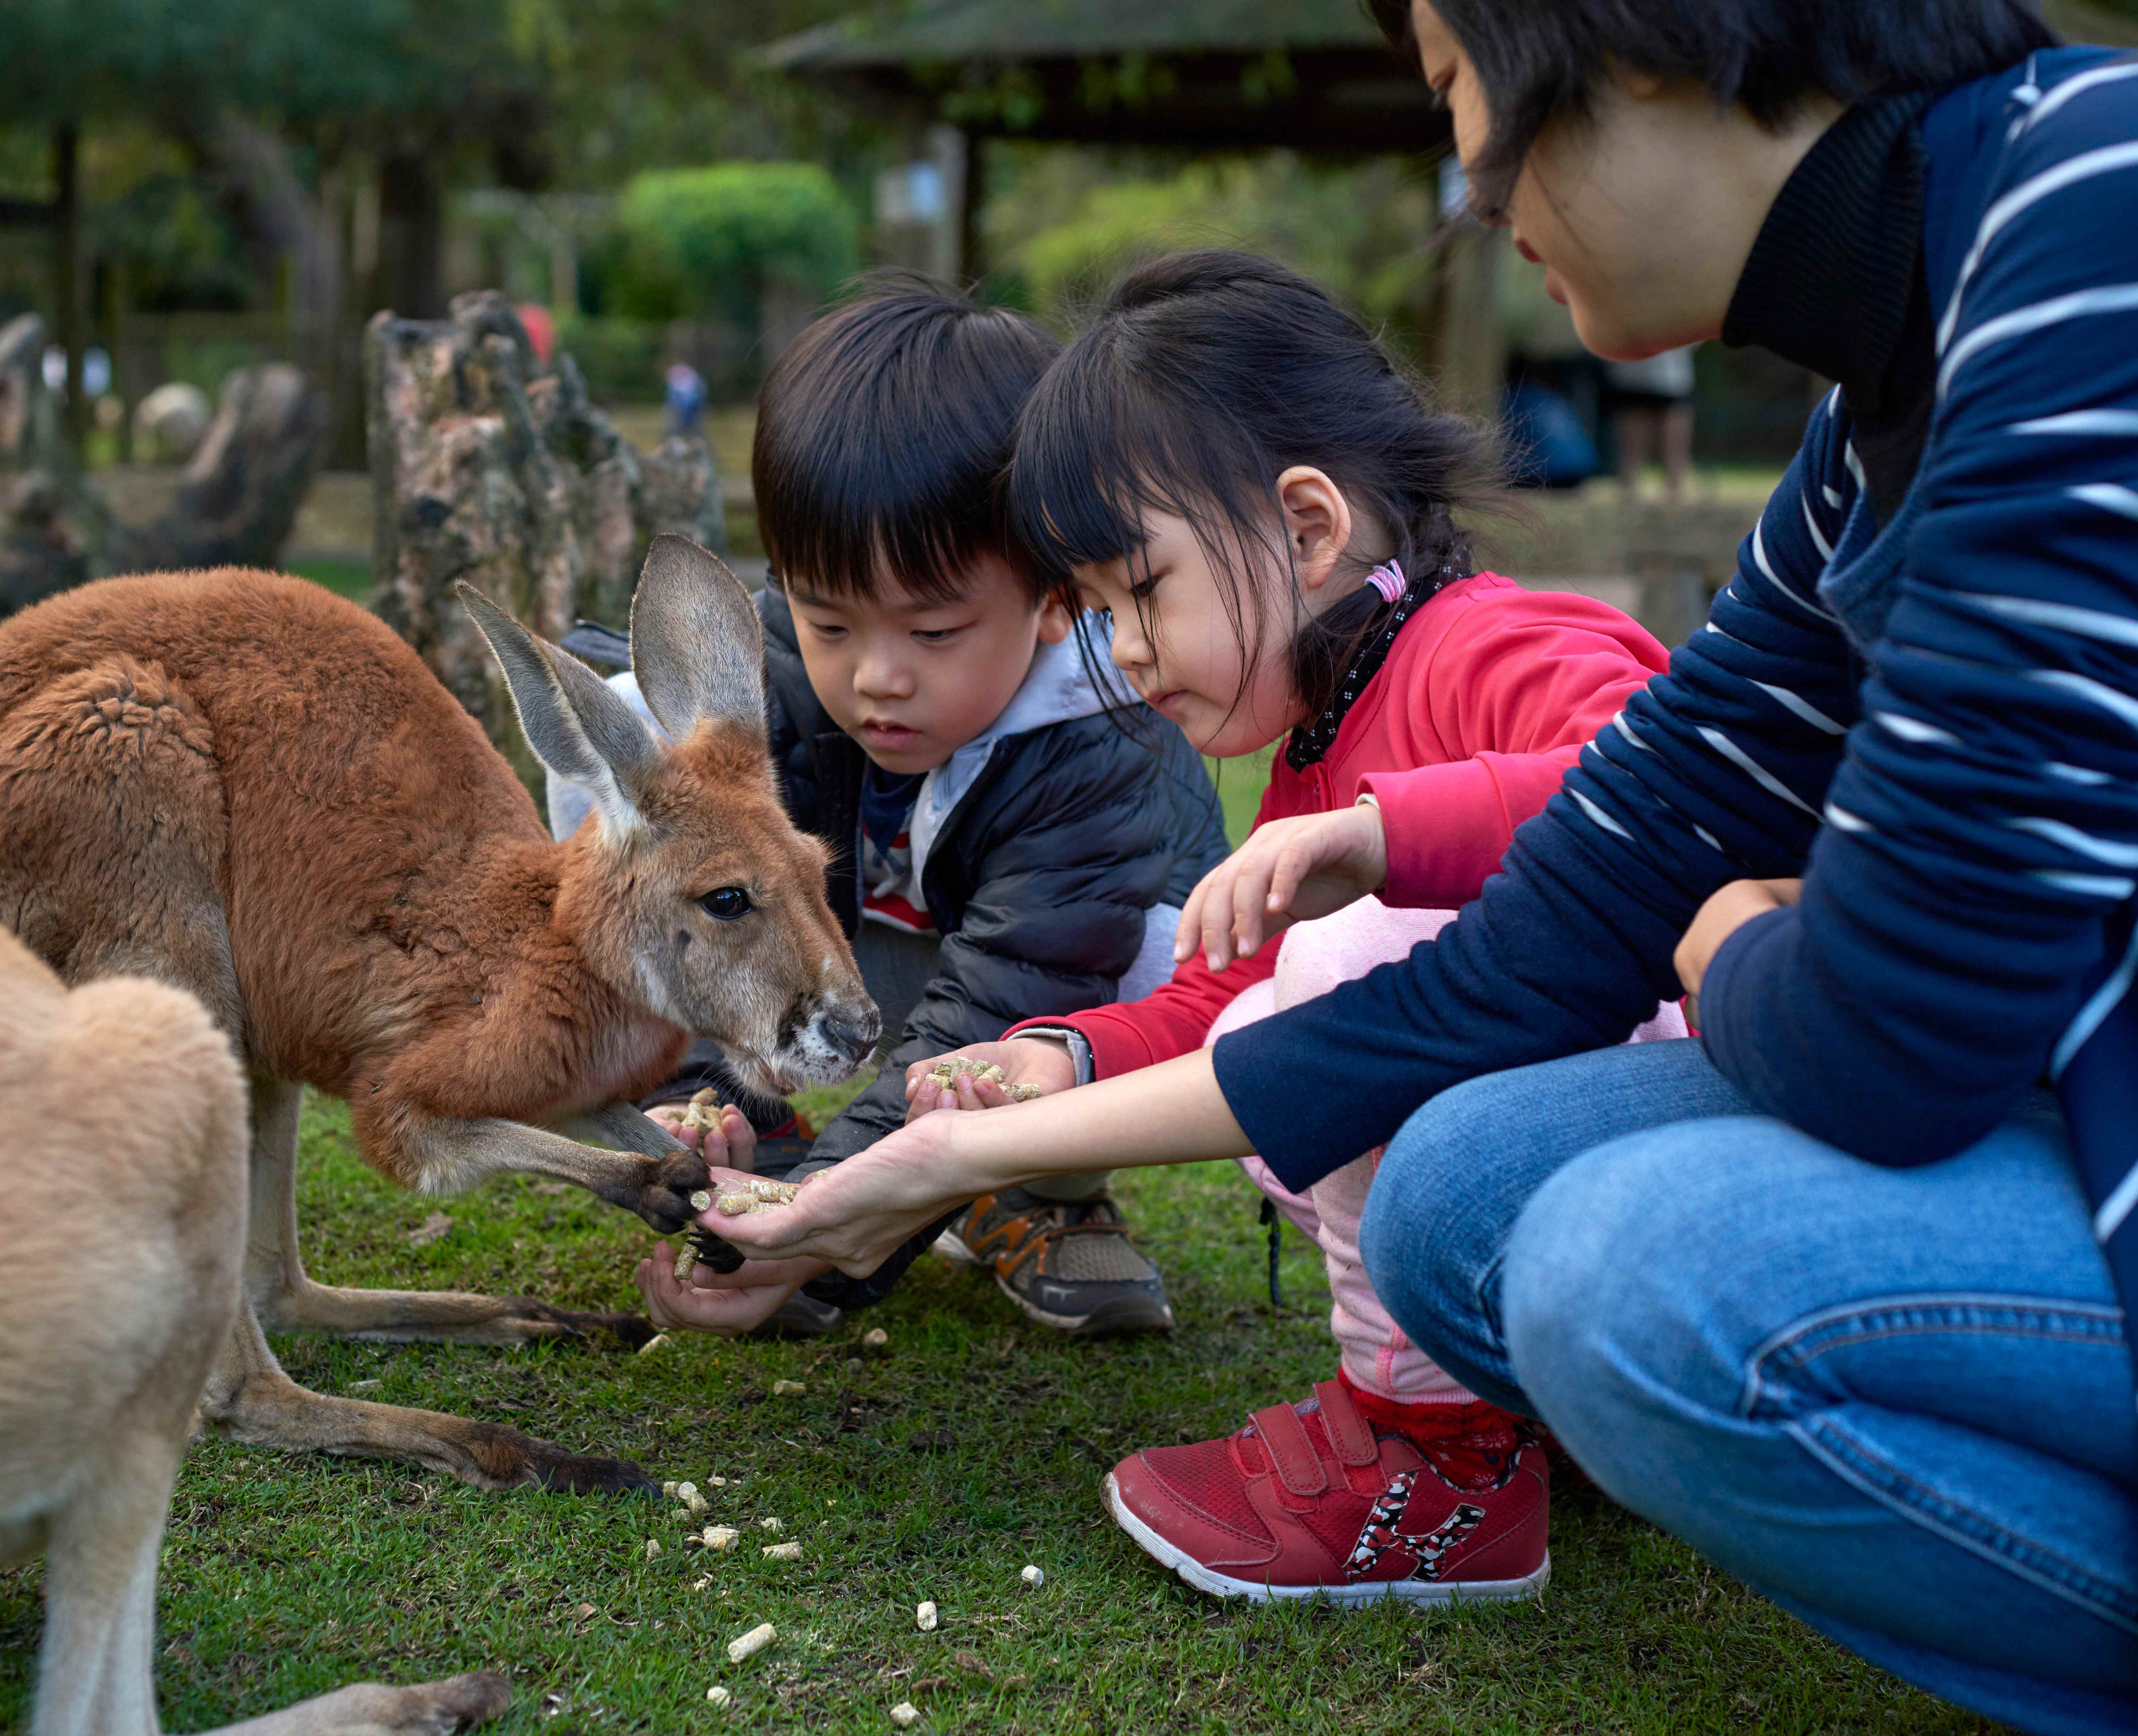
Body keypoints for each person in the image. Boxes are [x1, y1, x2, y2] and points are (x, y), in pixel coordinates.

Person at [699, 7, 2138, 1731]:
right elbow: (1534, 949)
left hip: (2127, 1124)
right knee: (1456, 1199)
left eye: (1452, 87)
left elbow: (1886, 1040)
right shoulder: (1874, 411)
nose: (1471, 183)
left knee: (1620, 1281)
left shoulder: (2113, 220)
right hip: (2088, 1094)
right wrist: (943, 1150)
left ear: (1629, 44)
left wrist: (1722, 938)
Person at [683, 247, 1675, 1601]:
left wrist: (1392, 832)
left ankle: (1432, 1457)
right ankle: (1529, 1402)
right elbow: (1239, 1005)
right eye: (1096, 607)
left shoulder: (1480, 649)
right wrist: (1067, 1053)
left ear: (1311, 529)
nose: (1126, 651)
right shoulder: (1319, 740)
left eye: (1141, 592)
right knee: (1299, 990)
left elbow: (1674, 783)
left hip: (1688, 1156)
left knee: (1339, 963)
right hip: (1589, 1187)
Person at [583, 277, 1229, 1341]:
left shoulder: (1097, 738)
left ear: (1054, 598)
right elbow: (699, 913)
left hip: (1052, 975)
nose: (876, 676)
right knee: (651, 804)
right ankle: (763, 1130)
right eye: (830, 621)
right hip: (871, 943)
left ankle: (1032, 1185)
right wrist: (709, 1097)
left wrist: (835, 1233)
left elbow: (1011, 995)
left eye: (933, 633)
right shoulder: (763, 683)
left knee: (1155, 960)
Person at [1600, 345, 1697, 501]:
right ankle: (1631, 487)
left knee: (1671, 446)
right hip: (1635, 372)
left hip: (1670, 372)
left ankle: (1674, 488)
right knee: (1632, 450)